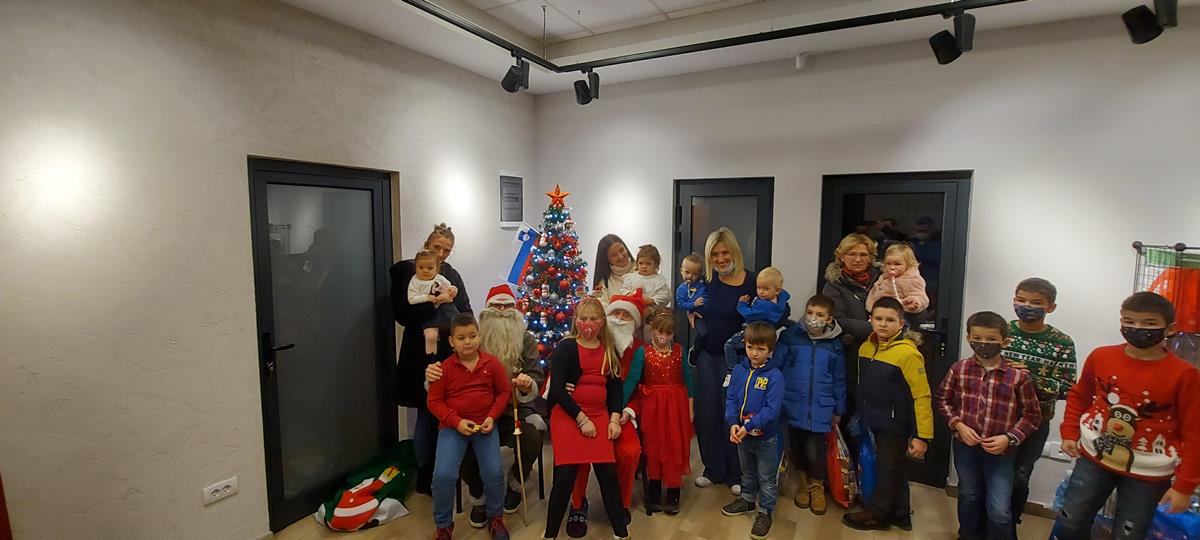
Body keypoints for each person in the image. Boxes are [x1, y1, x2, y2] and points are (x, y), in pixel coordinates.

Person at [1054, 292, 1200, 540]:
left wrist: (1184, 486)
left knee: (1129, 534)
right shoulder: (1101, 356)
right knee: (1070, 522)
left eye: (1149, 323)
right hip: (1094, 457)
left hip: (1149, 473)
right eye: (1129, 321)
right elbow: (1080, 395)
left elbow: (1195, 431)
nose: (1137, 328)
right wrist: (1069, 431)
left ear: (1170, 328)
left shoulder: (1185, 375)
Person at [424, 284, 545, 527]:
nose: (502, 312)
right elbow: (448, 370)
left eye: (507, 306)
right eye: (496, 306)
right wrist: (432, 373)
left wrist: (525, 384)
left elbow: (535, 376)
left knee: (533, 435)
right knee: (461, 442)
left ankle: (515, 482)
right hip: (475, 412)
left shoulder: (526, 339)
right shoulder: (472, 339)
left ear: (515, 310)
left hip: (514, 408)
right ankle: (478, 493)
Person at [936, 311, 1041, 540]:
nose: (983, 343)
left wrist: (1009, 438)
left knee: (999, 507)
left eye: (991, 339)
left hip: (1002, 452)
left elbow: (1032, 415)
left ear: (1005, 341)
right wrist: (958, 425)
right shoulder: (959, 369)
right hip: (965, 446)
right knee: (968, 494)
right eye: (977, 338)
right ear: (968, 338)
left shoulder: (1018, 377)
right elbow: (942, 400)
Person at [390, 224, 473, 494]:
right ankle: (426, 476)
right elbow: (403, 314)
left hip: (448, 354)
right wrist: (434, 303)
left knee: (448, 414)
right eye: (437, 247)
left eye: (447, 250)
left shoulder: (451, 275)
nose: (441, 254)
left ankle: (446, 470)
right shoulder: (409, 272)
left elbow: (464, 310)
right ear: (427, 244)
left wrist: (467, 341)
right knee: (426, 414)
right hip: (420, 355)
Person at [543, 297, 631, 540]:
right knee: (565, 477)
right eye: (583, 319)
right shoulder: (566, 347)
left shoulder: (609, 349)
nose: (588, 324)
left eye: (593, 319)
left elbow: (615, 389)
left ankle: (622, 534)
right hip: (569, 416)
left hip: (599, 415)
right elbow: (557, 390)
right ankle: (549, 535)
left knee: (608, 475)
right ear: (576, 321)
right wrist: (582, 420)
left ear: (602, 321)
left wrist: (614, 419)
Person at [842, 297, 932, 531]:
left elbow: (922, 396)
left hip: (894, 423)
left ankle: (877, 515)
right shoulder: (866, 347)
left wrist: (922, 436)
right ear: (870, 320)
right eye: (878, 318)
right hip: (872, 417)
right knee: (894, 468)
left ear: (901, 324)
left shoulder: (908, 354)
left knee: (887, 469)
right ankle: (901, 514)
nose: (883, 324)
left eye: (890, 320)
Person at [565, 290, 646, 538]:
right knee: (577, 452)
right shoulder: (578, 343)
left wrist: (628, 411)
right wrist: (566, 387)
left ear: (635, 322)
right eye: (615, 313)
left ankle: (619, 503)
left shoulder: (639, 350)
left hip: (620, 416)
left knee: (630, 450)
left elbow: (644, 390)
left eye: (626, 315)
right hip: (584, 413)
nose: (620, 318)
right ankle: (578, 504)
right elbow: (557, 378)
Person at [426, 314, 512, 540]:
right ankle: (443, 525)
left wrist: (492, 416)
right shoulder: (444, 369)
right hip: (452, 428)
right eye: (461, 338)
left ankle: (496, 518)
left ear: (479, 337)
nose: (468, 342)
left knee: (494, 472)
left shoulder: (491, 364)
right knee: (443, 475)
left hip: (485, 426)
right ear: (452, 341)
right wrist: (456, 421)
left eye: (472, 336)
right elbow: (434, 401)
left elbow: (504, 392)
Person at [1001, 278, 1077, 533]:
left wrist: (1031, 378)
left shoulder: (1062, 342)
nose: (1026, 306)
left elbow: (1067, 388)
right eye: (1021, 300)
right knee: (990, 475)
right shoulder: (1001, 330)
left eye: (1036, 302)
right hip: (995, 416)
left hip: (1035, 422)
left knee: (1019, 476)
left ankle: (1008, 527)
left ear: (1050, 307)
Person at [694, 227, 765, 492]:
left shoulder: (753, 282)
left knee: (734, 414)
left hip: (736, 361)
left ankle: (738, 475)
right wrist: (693, 318)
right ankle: (713, 470)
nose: (721, 259)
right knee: (707, 414)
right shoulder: (706, 281)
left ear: (735, 252)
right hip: (707, 356)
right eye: (714, 254)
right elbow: (692, 306)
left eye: (725, 252)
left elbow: (776, 311)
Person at [778, 294, 846, 515]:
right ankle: (803, 483)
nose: (813, 318)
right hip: (792, 402)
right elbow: (778, 365)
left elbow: (839, 379)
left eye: (819, 315)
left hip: (821, 407)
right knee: (796, 446)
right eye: (810, 313)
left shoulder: (835, 345)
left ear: (829, 319)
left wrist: (839, 408)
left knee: (815, 449)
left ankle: (817, 486)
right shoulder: (790, 337)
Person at [622, 308, 694, 515]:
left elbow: (688, 379)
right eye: (659, 332)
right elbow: (632, 380)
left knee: (674, 444)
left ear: (673, 334)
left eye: (668, 334)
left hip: (677, 405)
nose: (663, 337)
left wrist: (690, 408)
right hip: (653, 406)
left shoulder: (679, 351)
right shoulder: (643, 352)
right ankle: (653, 488)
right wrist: (619, 407)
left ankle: (673, 490)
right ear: (652, 330)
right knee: (653, 444)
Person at [721, 322, 785, 540]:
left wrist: (748, 426)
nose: (754, 353)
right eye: (750, 347)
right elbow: (731, 398)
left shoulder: (775, 376)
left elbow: (771, 411)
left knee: (766, 477)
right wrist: (733, 423)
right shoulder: (739, 370)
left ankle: (765, 512)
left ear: (770, 350)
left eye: (760, 349)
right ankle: (748, 500)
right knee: (746, 471)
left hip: (765, 438)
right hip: (741, 434)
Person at [821, 233, 880, 428]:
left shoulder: (885, 280)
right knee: (851, 413)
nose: (857, 259)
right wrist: (879, 329)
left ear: (870, 257)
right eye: (851, 254)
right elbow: (839, 320)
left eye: (863, 254)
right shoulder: (834, 285)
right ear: (841, 256)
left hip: (884, 355)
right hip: (851, 357)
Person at [724, 267, 791, 378]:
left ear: (777, 290)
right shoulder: (781, 298)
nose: (761, 292)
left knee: (729, 345)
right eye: (759, 287)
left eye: (766, 288)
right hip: (768, 332)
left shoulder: (764, 306)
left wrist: (741, 305)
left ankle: (731, 372)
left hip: (754, 331)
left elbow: (748, 314)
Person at [407, 249, 461, 356]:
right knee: (431, 336)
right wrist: (427, 297)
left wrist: (453, 290)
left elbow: (450, 287)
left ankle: (457, 354)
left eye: (430, 268)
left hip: (446, 310)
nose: (425, 271)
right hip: (430, 314)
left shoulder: (440, 278)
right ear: (415, 268)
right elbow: (411, 299)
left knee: (459, 329)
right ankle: (431, 358)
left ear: (436, 268)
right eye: (421, 268)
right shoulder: (415, 282)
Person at [865, 243, 928, 315]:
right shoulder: (883, 277)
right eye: (888, 264)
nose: (892, 267)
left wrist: (915, 302)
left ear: (908, 264)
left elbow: (921, 296)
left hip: (901, 315)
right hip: (879, 313)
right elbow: (874, 293)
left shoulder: (912, 279)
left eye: (897, 264)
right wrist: (871, 308)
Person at [592, 234, 634, 306]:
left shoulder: (644, 269)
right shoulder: (604, 283)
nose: (621, 256)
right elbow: (603, 309)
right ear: (606, 259)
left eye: (622, 250)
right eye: (614, 255)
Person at [675, 253, 708, 333]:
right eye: (687, 272)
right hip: (697, 314)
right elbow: (681, 304)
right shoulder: (681, 289)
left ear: (699, 275)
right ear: (681, 271)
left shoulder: (702, 282)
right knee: (703, 333)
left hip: (710, 312)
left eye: (695, 274)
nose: (690, 276)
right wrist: (694, 304)